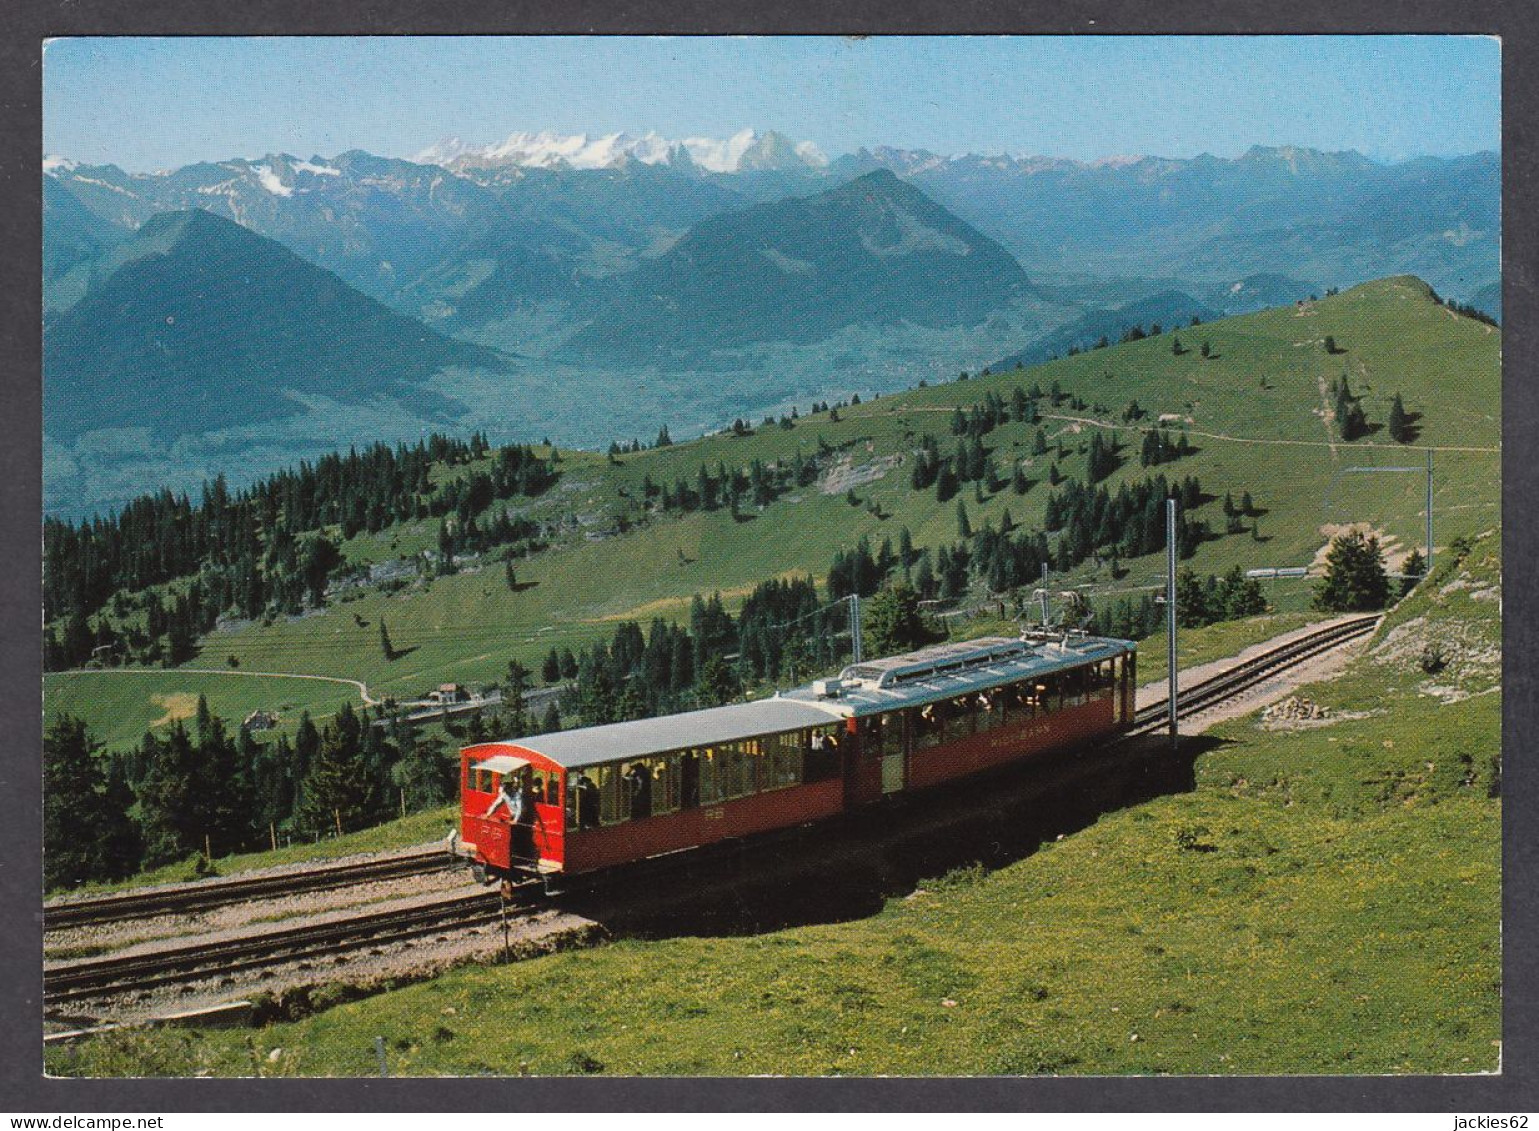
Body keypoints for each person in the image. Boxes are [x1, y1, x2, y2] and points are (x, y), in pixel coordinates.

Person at [485, 767, 545, 865]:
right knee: (511, 835)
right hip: (514, 816)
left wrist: (516, 820)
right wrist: (488, 814)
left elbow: (520, 809)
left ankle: (530, 858)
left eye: (505, 791)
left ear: (509, 789)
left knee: (526, 836)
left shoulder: (517, 795)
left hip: (525, 817)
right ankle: (513, 856)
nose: (504, 793)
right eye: (503, 792)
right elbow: (496, 804)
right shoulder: (504, 795)